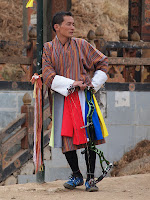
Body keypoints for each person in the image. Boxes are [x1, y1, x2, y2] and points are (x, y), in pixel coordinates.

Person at [42, 11, 108, 192]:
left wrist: (92, 85)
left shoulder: (82, 44)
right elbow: (47, 75)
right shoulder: (48, 48)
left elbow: (103, 62)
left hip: (83, 98)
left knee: (88, 136)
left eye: (73, 24)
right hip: (63, 98)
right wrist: (72, 83)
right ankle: (76, 174)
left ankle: (90, 179)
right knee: (66, 139)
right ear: (57, 27)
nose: (73, 27)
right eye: (69, 24)